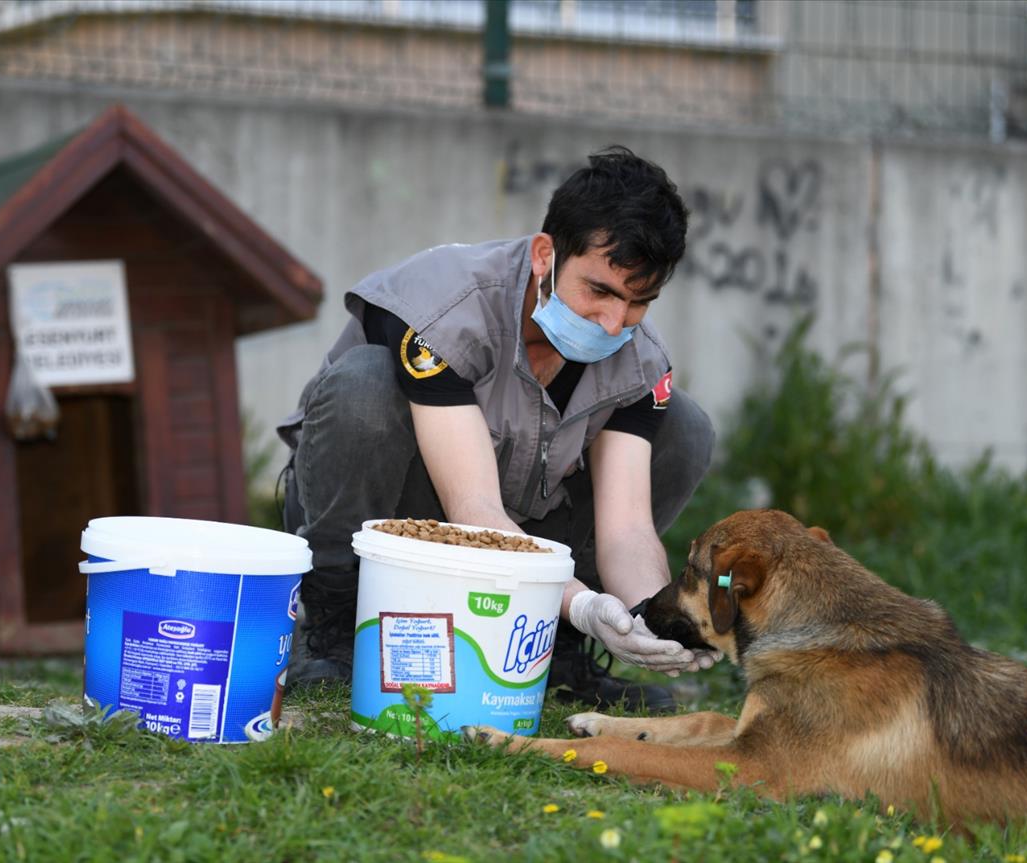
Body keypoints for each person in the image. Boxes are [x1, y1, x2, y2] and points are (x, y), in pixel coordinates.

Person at [276, 146, 719, 713]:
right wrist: (579, 600)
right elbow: (474, 507)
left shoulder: (641, 363)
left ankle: (554, 648)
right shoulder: (440, 305)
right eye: (600, 291)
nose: (615, 323)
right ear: (544, 256)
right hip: (406, 516)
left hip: (530, 529)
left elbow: (626, 530)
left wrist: (648, 618)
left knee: (684, 425)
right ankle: (337, 624)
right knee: (365, 384)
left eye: (639, 302)